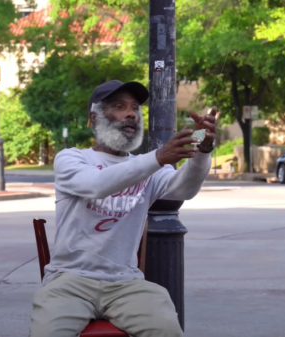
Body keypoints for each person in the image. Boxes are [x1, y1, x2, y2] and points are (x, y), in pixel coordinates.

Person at [29, 79, 218, 337]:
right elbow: (95, 185)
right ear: (94, 118)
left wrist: (203, 145)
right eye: (119, 106)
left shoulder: (148, 166)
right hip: (69, 280)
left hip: (125, 283)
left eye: (136, 108)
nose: (131, 114)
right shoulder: (72, 159)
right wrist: (158, 158)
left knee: (167, 330)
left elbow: (184, 188)